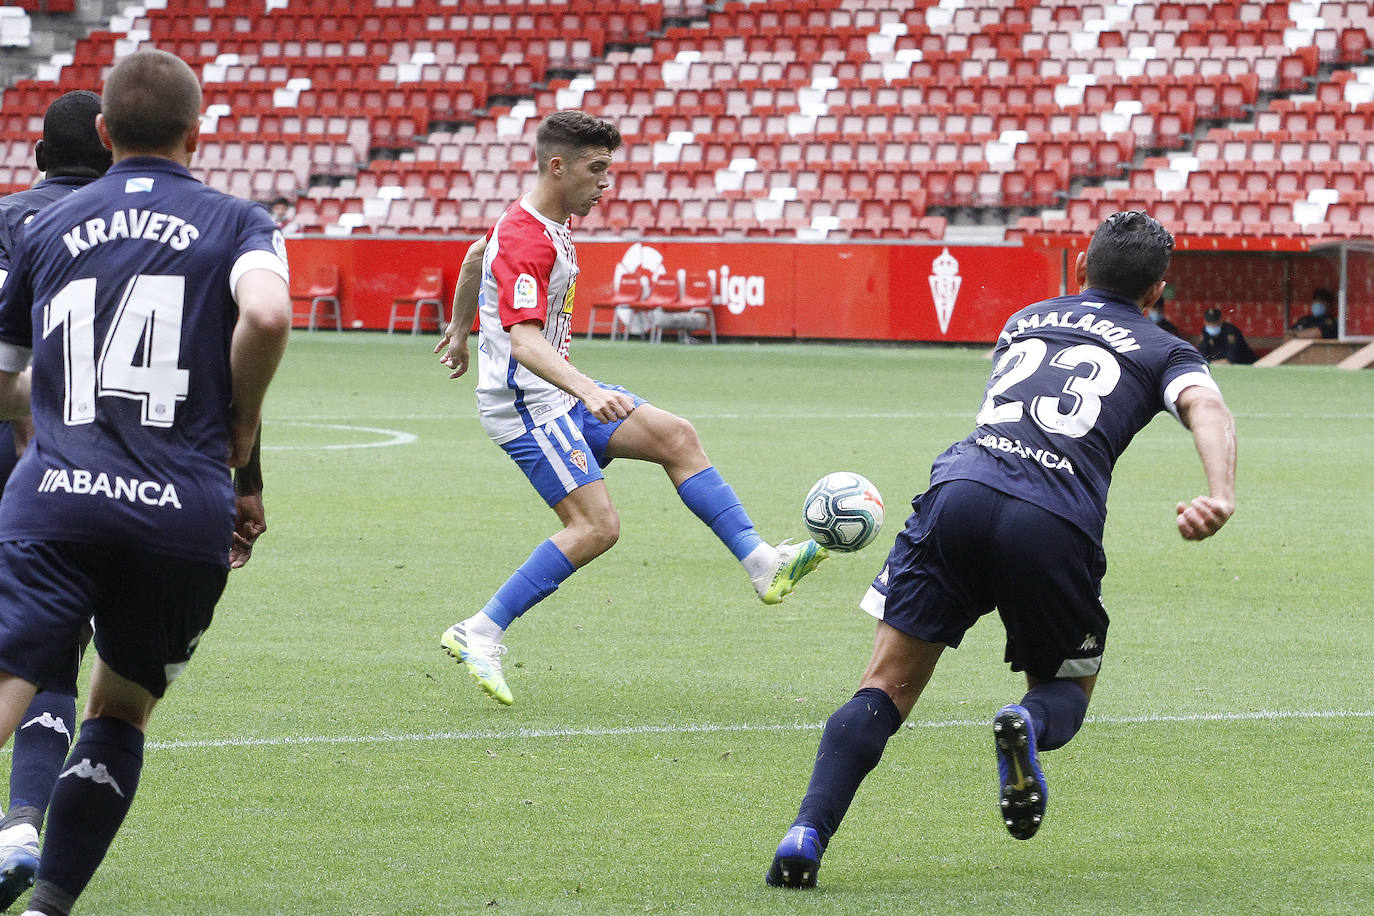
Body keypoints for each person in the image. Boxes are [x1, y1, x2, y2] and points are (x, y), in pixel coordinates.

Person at [764, 211, 1236, 889]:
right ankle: (1026, 720)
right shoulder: (1164, 348)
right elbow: (1208, 409)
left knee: (885, 684)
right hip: (1053, 519)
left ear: (1079, 268)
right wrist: (1219, 492)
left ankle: (806, 832)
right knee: (1065, 686)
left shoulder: (1026, 317)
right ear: (1158, 291)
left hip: (959, 490)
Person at [0, 49, 290, 916]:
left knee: (12, 677)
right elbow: (269, 314)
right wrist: (240, 428)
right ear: (197, 134)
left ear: (102, 131)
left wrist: (55, 395)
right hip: (178, 510)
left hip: (54, 500)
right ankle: (51, 903)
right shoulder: (239, 220)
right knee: (120, 709)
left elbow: (4, 375)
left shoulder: (46, 225)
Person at [433, 110, 826, 706]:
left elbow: (471, 257)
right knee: (596, 527)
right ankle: (479, 631)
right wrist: (587, 390)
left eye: (609, 169)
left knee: (675, 437)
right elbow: (526, 340)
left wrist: (461, 328)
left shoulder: (542, 221)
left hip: (557, 392)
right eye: (596, 170)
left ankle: (762, 563)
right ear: (557, 166)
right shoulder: (526, 236)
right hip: (528, 407)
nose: (606, 183)